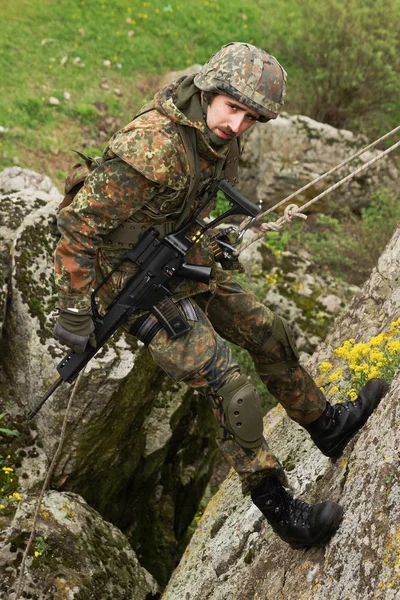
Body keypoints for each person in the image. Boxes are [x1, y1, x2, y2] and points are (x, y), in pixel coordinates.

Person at [53, 42, 388, 549]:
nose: (237, 126)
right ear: (210, 90)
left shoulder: (218, 137)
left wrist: (214, 240)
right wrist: (75, 310)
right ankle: (281, 510)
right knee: (229, 386)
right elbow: (78, 228)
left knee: (268, 331)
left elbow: (190, 203)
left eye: (251, 117)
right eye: (233, 109)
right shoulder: (153, 145)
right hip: (129, 284)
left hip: (178, 257)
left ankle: (327, 426)